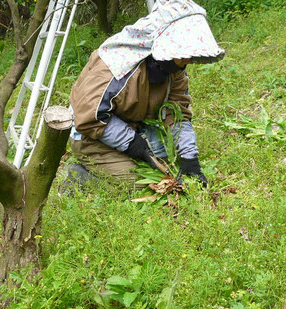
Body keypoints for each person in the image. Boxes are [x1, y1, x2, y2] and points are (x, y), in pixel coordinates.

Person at [67, 0, 224, 188]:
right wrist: (133, 144)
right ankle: (80, 177)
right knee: (145, 182)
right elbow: (88, 117)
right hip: (91, 135)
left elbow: (178, 112)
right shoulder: (117, 66)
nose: (186, 61)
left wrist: (189, 159)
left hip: (132, 126)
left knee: (169, 164)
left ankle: (124, 157)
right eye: (183, 54)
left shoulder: (174, 67)